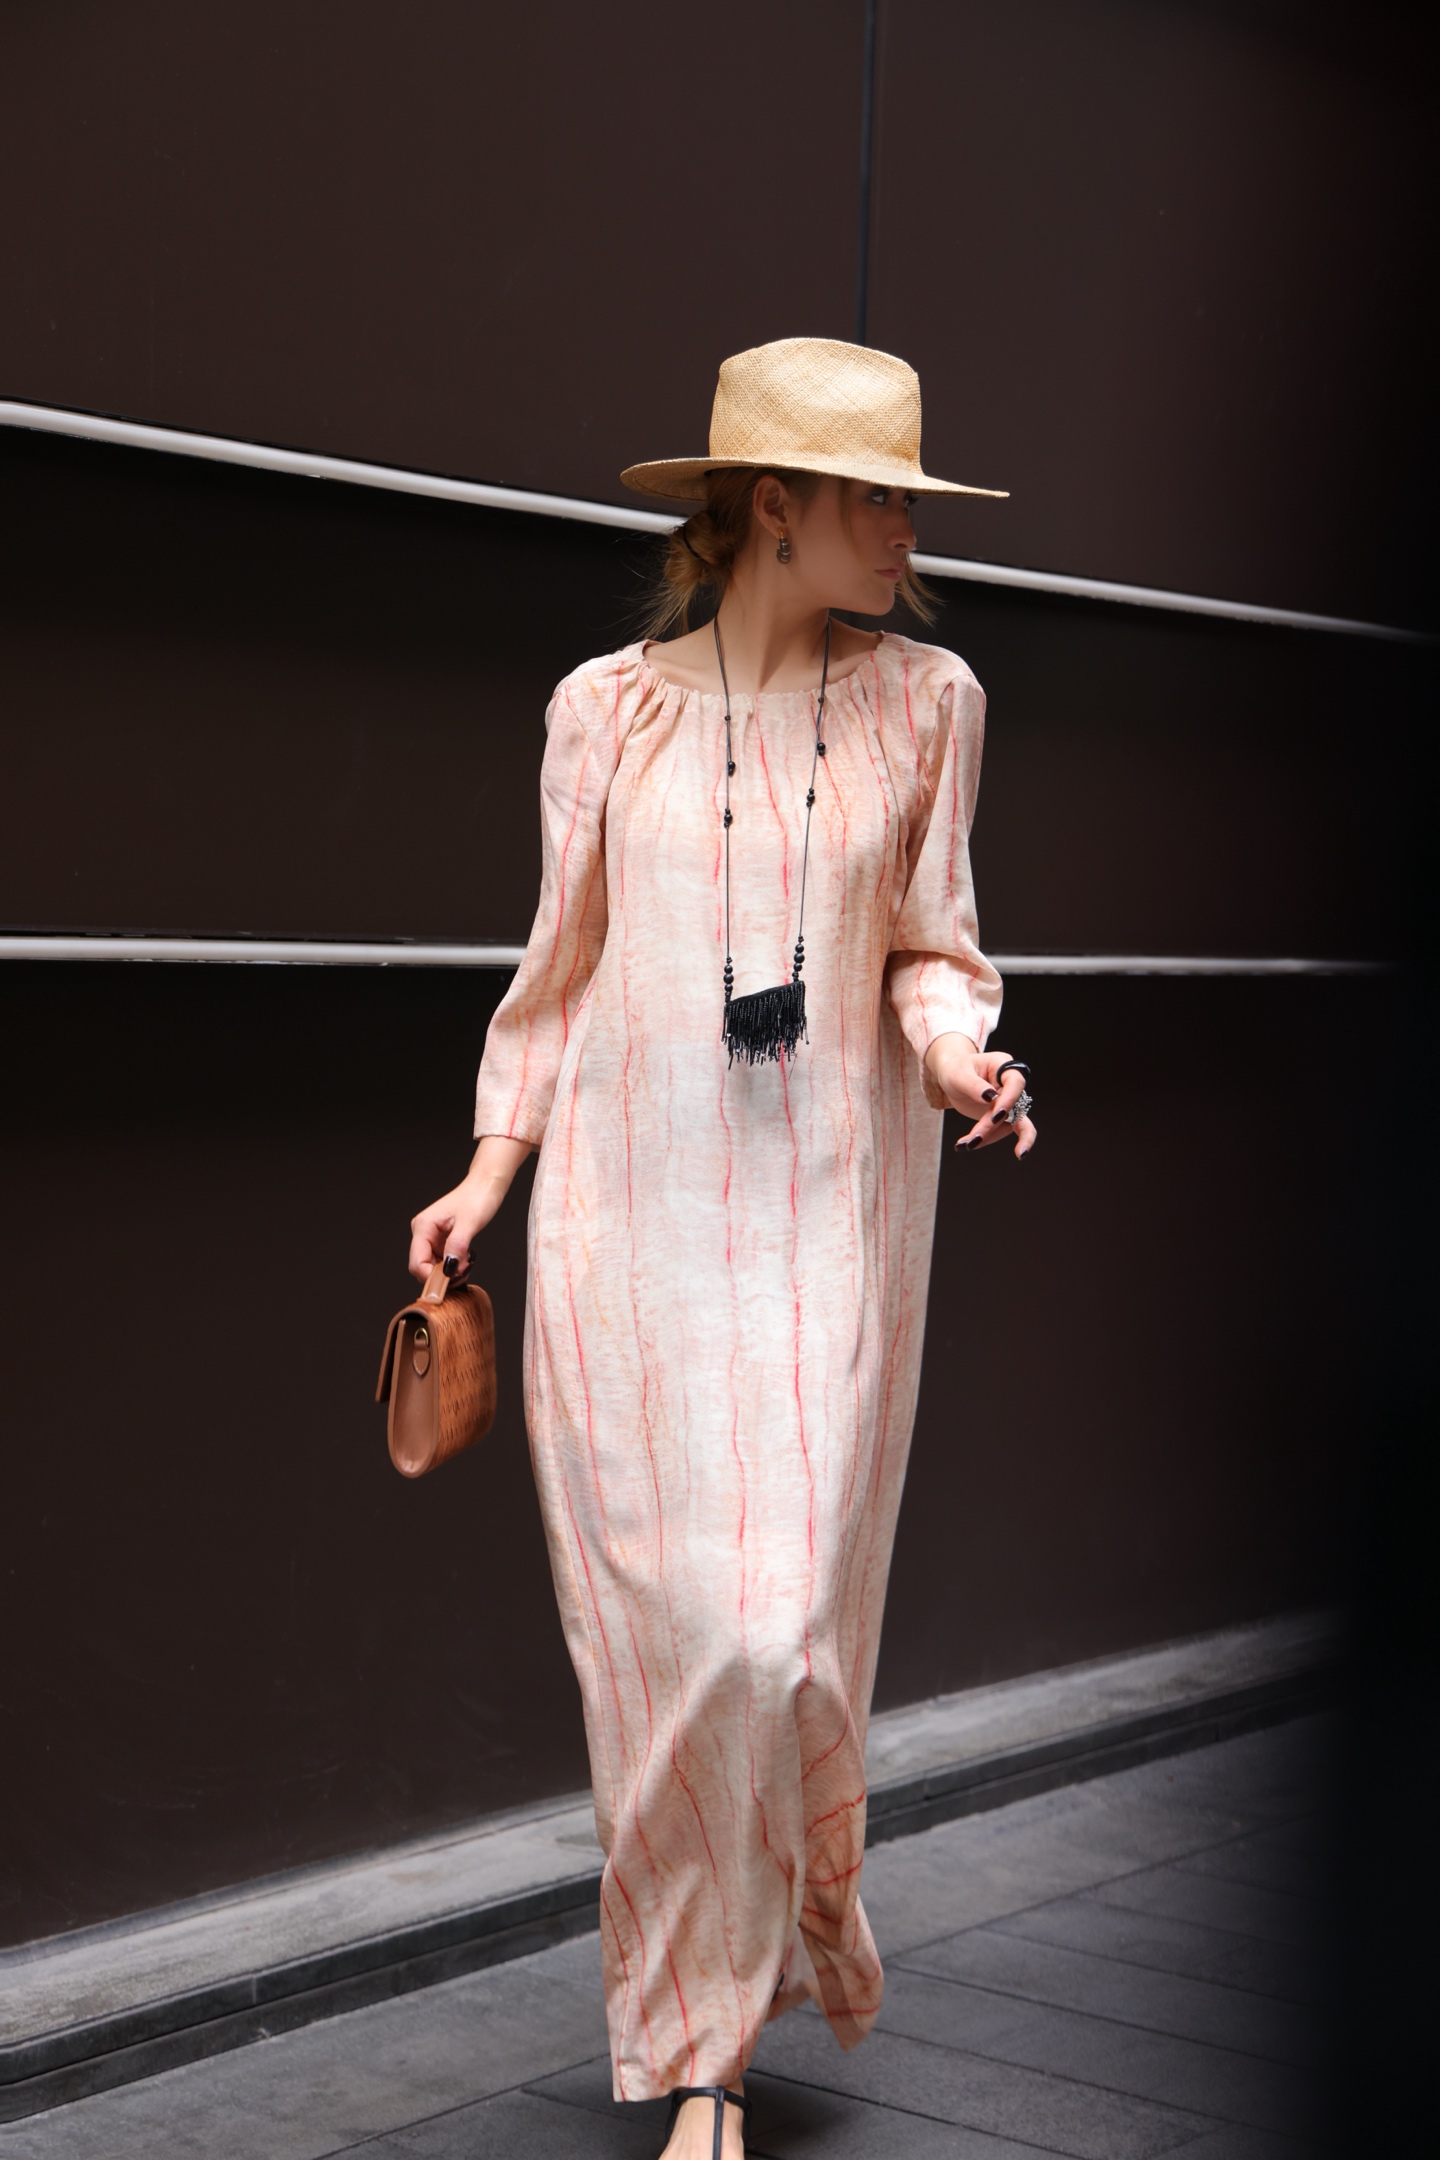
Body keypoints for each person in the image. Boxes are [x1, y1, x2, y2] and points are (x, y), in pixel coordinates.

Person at [409, 338, 1035, 2160]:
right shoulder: (603, 713)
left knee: (775, 1644)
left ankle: (764, 1955)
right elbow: (560, 971)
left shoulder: (930, 702)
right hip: (629, 1230)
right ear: (775, 506)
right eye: (879, 498)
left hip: (831, 1220)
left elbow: (933, 942)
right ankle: (704, 2058)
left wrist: (959, 1055)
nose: (908, 533)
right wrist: (487, 1174)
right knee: (666, 1654)